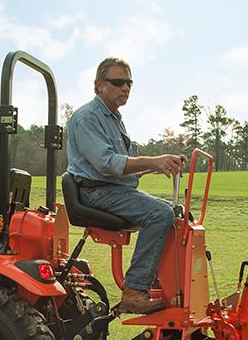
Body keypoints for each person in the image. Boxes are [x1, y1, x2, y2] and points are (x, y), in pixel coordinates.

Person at [64, 57, 184, 314]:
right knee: (160, 213)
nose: (125, 88)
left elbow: (123, 166)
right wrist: (154, 160)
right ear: (99, 85)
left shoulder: (114, 118)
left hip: (114, 190)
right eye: (118, 82)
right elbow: (107, 164)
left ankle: (158, 279)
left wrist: (162, 163)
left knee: (176, 212)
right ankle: (133, 290)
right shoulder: (87, 118)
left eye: (129, 82)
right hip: (95, 192)